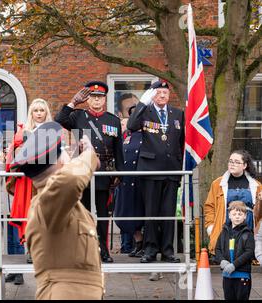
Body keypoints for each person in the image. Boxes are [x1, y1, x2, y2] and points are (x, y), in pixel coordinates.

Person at [11, 121, 103, 299]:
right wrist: (89, 154)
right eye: (65, 153)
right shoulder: (48, 202)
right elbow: (70, 180)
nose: (70, 156)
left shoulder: (57, 202)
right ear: (60, 162)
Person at [55, 81, 124, 263]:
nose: (96, 100)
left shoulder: (113, 120)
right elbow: (59, 120)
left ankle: (103, 251)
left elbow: (119, 151)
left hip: (103, 171)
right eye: (93, 97)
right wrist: (72, 103)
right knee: (82, 212)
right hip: (82, 169)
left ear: (104, 99)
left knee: (102, 214)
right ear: (87, 100)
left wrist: (119, 173)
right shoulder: (78, 116)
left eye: (99, 97)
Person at [127, 80, 185, 263]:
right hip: (151, 170)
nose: (162, 95)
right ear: (153, 95)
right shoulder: (145, 112)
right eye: (158, 92)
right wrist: (143, 103)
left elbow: (181, 140)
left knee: (168, 213)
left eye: (165, 93)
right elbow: (131, 125)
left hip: (171, 170)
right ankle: (150, 249)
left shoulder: (177, 114)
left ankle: (168, 250)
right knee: (151, 212)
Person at [5, 98, 53, 283]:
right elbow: (14, 156)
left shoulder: (53, 131)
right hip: (27, 181)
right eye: (36, 110)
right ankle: (32, 250)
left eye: (42, 110)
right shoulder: (22, 132)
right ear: (31, 113)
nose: (39, 113)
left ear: (46, 112)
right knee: (28, 215)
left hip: (45, 179)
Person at [204, 150, 262, 258]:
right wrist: (211, 227)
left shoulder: (256, 185)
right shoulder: (218, 184)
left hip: (248, 229)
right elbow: (209, 207)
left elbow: (260, 212)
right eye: (230, 161)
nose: (232, 164)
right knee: (228, 257)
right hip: (226, 228)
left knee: (245, 257)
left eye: (236, 162)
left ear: (244, 165)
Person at [115, 104, 144, 257]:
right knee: (123, 214)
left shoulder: (147, 136)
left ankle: (143, 244)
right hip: (125, 182)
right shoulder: (126, 136)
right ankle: (138, 241)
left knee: (140, 215)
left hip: (140, 182)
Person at [215, 201, 255, 300]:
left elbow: (249, 253)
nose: (237, 216)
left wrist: (234, 265)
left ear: (245, 216)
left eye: (240, 214)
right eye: (234, 214)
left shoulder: (247, 233)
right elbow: (218, 249)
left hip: (242, 274)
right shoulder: (224, 232)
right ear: (229, 215)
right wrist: (222, 261)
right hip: (227, 276)